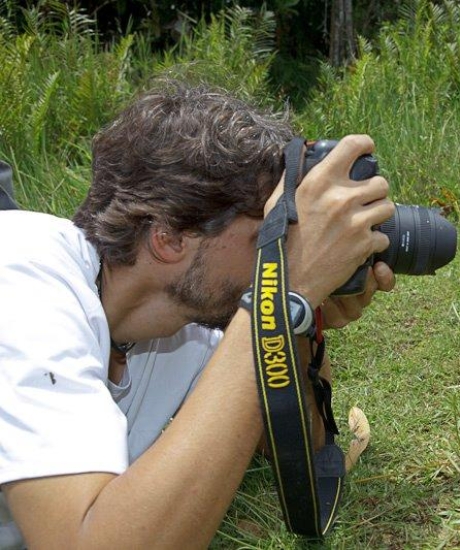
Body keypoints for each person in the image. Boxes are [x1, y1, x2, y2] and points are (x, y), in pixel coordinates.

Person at [0, 80, 396, 548]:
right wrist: (278, 295)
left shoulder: (183, 328)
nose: (277, 254)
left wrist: (299, 316)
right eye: (267, 236)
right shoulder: (20, 273)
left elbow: (295, 446)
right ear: (169, 238)